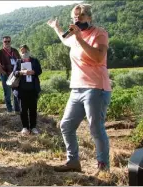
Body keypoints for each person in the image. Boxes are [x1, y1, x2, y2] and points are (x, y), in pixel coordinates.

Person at [47, 4, 112, 173]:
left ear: (89, 18)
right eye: (74, 17)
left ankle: (103, 167)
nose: (77, 19)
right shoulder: (75, 36)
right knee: (66, 126)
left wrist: (80, 38)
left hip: (95, 88)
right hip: (76, 88)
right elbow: (64, 38)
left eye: (81, 16)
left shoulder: (100, 33)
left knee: (95, 128)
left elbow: (98, 57)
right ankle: (73, 162)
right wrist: (57, 27)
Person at [13, 45, 42, 135]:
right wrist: (21, 72)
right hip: (21, 89)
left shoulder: (34, 61)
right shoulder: (18, 62)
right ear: (20, 53)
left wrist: (33, 72)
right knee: (23, 110)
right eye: (22, 52)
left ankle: (33, 127)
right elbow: (14, 72)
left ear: (29, 51)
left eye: (26, 51)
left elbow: (39, 71)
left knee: (33, 109)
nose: (24, 53)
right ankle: (25, 127)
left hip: (33, 89)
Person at [0, 36, 21, 114]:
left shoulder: (15, 51)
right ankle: (9, 110)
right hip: (5, 75)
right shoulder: (0, 52)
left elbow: (19, 61)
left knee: (16, 92)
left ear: (10, 42)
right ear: (3, 42)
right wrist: (3, 72)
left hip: (15, 74)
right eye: (5, 41)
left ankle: (17, 109)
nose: (7, 43)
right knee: (7, 93)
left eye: (8, 41)